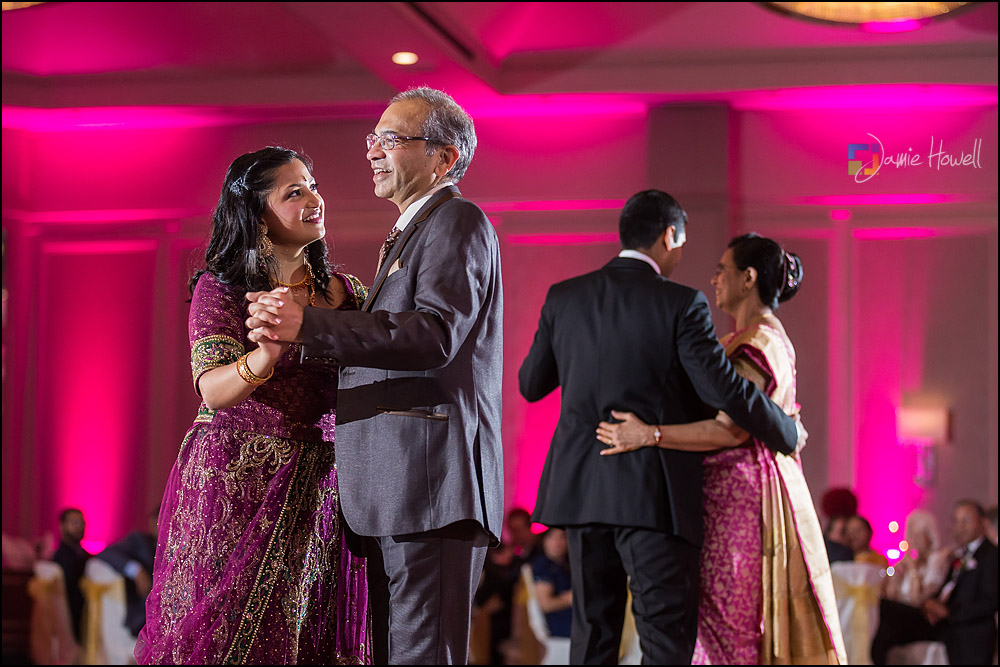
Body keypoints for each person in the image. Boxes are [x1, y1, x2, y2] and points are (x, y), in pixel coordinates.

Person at [246, 87, 503, 665]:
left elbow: (434, 334)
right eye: (373, 139)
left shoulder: (456, 220)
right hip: (395, 491)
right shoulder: (412, 233)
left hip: (428, 488)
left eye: (392, 139)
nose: (372, 152)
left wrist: (308, 325)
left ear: (443, 157)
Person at [518, 193, 801, 664]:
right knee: (665, 641)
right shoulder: (680, 303)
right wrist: (784, 430)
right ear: (670, 236)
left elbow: (531, 384)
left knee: (593, 637)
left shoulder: (565, 296)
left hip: (583, 492)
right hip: (654, 495)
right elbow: (723, 391)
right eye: (682, 242)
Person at [135, 146, 370, 665]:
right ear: (258, 216)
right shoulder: (223, 289)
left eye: (312, 185)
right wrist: (267, 353)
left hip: (321, 483)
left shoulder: (347, 294)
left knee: (303, 633)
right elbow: (212, 390)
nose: (315, 198)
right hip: (237, 477)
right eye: (295, 191)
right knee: (225, 634)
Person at [596, 232, 845, 664]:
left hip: (738, 503)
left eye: (722, 270)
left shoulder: (758, 343)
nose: (714, 279)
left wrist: (650, 434)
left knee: (729, 628)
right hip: (731, 497)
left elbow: (730, 431)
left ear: (748, 278)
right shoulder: (753, 338)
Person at [872, 499, 999, 665]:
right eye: (957, 521)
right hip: (945, 623)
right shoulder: (960, 554)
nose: (960, 526)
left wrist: (949, 612)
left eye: (967, 520)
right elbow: (948, 588)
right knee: (885, 610)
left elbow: (990, 601)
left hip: (968, 629)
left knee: (889, 613)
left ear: (982, 522)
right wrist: (933, 604)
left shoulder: (991, 555)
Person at [94, 507, 159, 637]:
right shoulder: (139, 541)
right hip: (145, 617)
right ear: (153, 521)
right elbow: (107, 553)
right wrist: (136, 570)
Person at [883, 509, 950, 607]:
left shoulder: (936, 560)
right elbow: (890, 595)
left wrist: (912, 568)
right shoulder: (907, 561)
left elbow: (917, 599)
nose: (914, 541)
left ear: (929, 537)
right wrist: (896, 577)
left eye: (919, 536)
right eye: (911, 535)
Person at [51, 507, 89, 641]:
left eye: (82, 523)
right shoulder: (62, 557)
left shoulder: (82, 553)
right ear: (62, 526)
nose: (81, 527)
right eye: (75, 523)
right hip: (72, 618)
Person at [531, 528, 573, 639]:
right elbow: (545, 604)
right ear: (544, 540)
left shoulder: (565, 564)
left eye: (562, 537)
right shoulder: (544, 565)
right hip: (561, 629)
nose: (557, 542)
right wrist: (569, 599)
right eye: (552, 537)